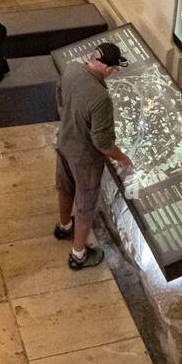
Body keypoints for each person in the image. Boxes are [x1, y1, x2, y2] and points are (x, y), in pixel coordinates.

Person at [54, 41, 134, 270]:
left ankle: (64, 226)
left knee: (64, 186)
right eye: (113, 70)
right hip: (85, 159)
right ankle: (79, 254)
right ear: (108, 69)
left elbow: (59, 96)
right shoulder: (101, 98)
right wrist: (121, 157)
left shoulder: (70, 68)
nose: (112, 73)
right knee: (85, 205)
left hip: (64, 143)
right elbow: (102, 142)